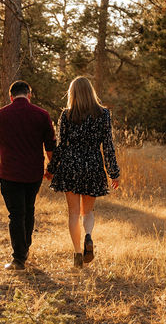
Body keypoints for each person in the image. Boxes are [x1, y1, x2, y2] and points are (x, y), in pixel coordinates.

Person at [46, 76, 120, 268]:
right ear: (91, 92)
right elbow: (108, 146)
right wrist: (114, 172)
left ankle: (78, 254)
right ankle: (88, 236)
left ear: (73, 93)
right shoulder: (103, 114)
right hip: (93, 165)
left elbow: (61, 146)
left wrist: (51, 169)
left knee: (72, 213)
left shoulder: (67, 115)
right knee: (87, 211)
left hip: (70, 165)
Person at [0, 80, 56, 270]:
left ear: (11, 96)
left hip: (9, 173)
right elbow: (50, 147)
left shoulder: (0, 115)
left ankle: (19, 258)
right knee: (29, 209)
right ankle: (24, 248)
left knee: (16, 214)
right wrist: (51, 168)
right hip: (33, 173)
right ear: (29, 94)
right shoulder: (42, 115)